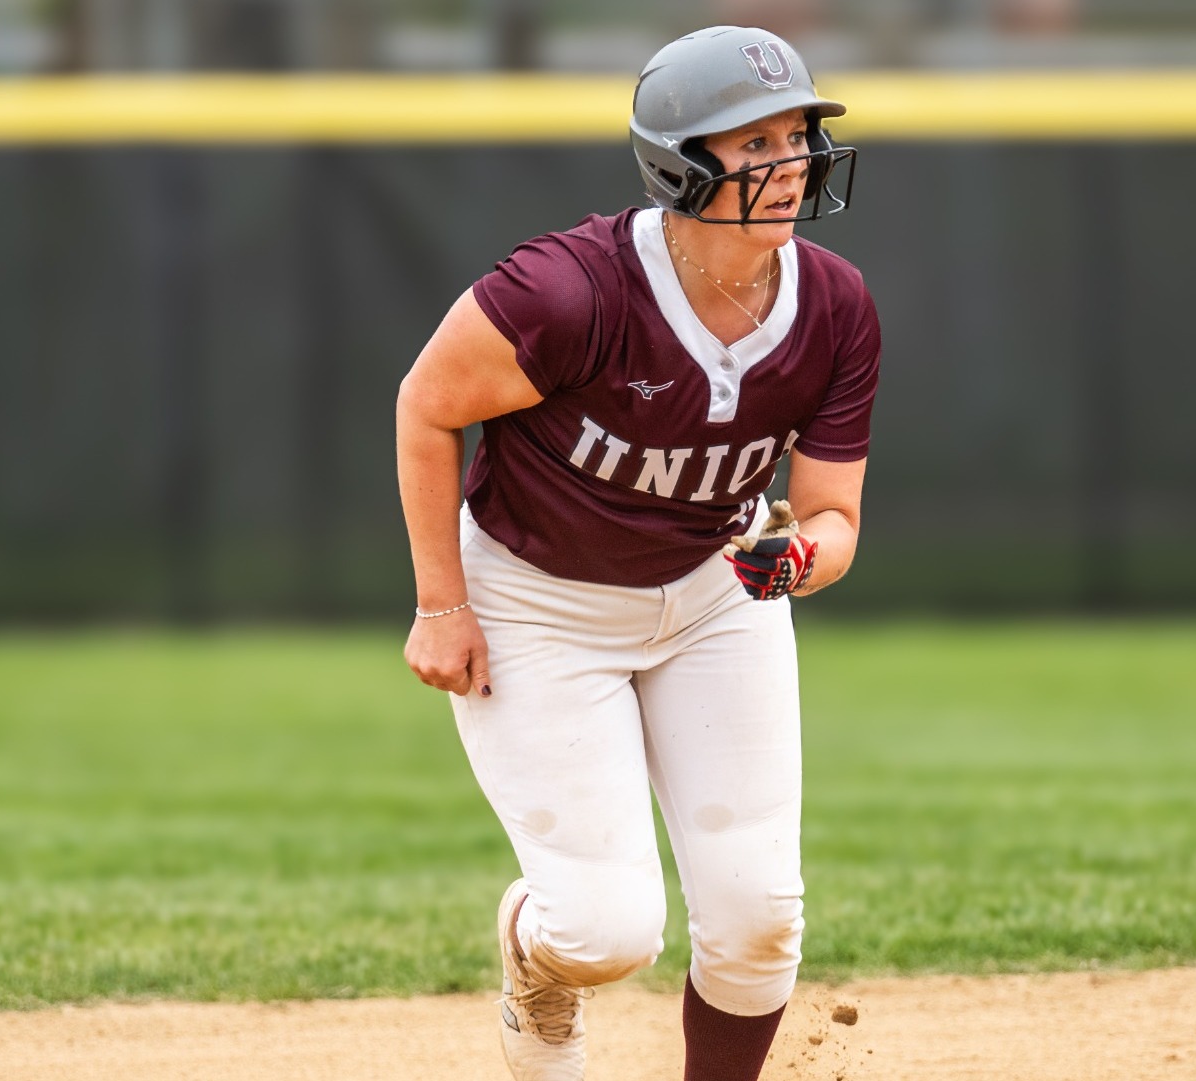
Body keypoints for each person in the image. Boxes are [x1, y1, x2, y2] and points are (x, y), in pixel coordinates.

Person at [395, 24, 880, 1081]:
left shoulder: (833, 306)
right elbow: (426, 405)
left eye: (796, 133)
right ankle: (535, 960)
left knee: (759, 920)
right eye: (753, 143)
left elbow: (830, 516)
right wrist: (441, 603)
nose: (790, 161)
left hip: (712, 598)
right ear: (677, 165)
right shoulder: (568, 292)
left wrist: (793, 563)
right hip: (538, 603)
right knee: (605, 932)